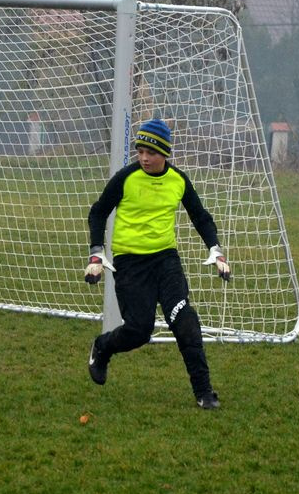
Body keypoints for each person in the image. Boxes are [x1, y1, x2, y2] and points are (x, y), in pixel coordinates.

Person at [84, 118, 231, 409]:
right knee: (139, 330)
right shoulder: (126, 178)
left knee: (185, 321)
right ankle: (102, 347)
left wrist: (216, 250)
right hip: (130, 263)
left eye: (150, 152)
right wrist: (96, 253)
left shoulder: (178, 180)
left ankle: (204, 392)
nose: (144, 158)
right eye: (140, 152)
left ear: (164, 153)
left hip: (165, 260)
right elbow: (98, 212)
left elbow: (200, 216)